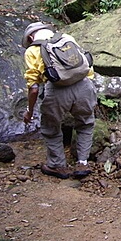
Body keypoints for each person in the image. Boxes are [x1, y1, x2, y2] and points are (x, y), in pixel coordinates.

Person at [21, 21, 97, 179]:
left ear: (30, 37)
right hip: (84, 85)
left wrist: (29, 111)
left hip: (56, 90)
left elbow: (34, 87)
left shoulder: (32, 50)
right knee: (85, 123)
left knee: (51, 128)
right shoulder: (66, 38)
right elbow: (83, 63)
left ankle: (57, 166)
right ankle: (82, 162)